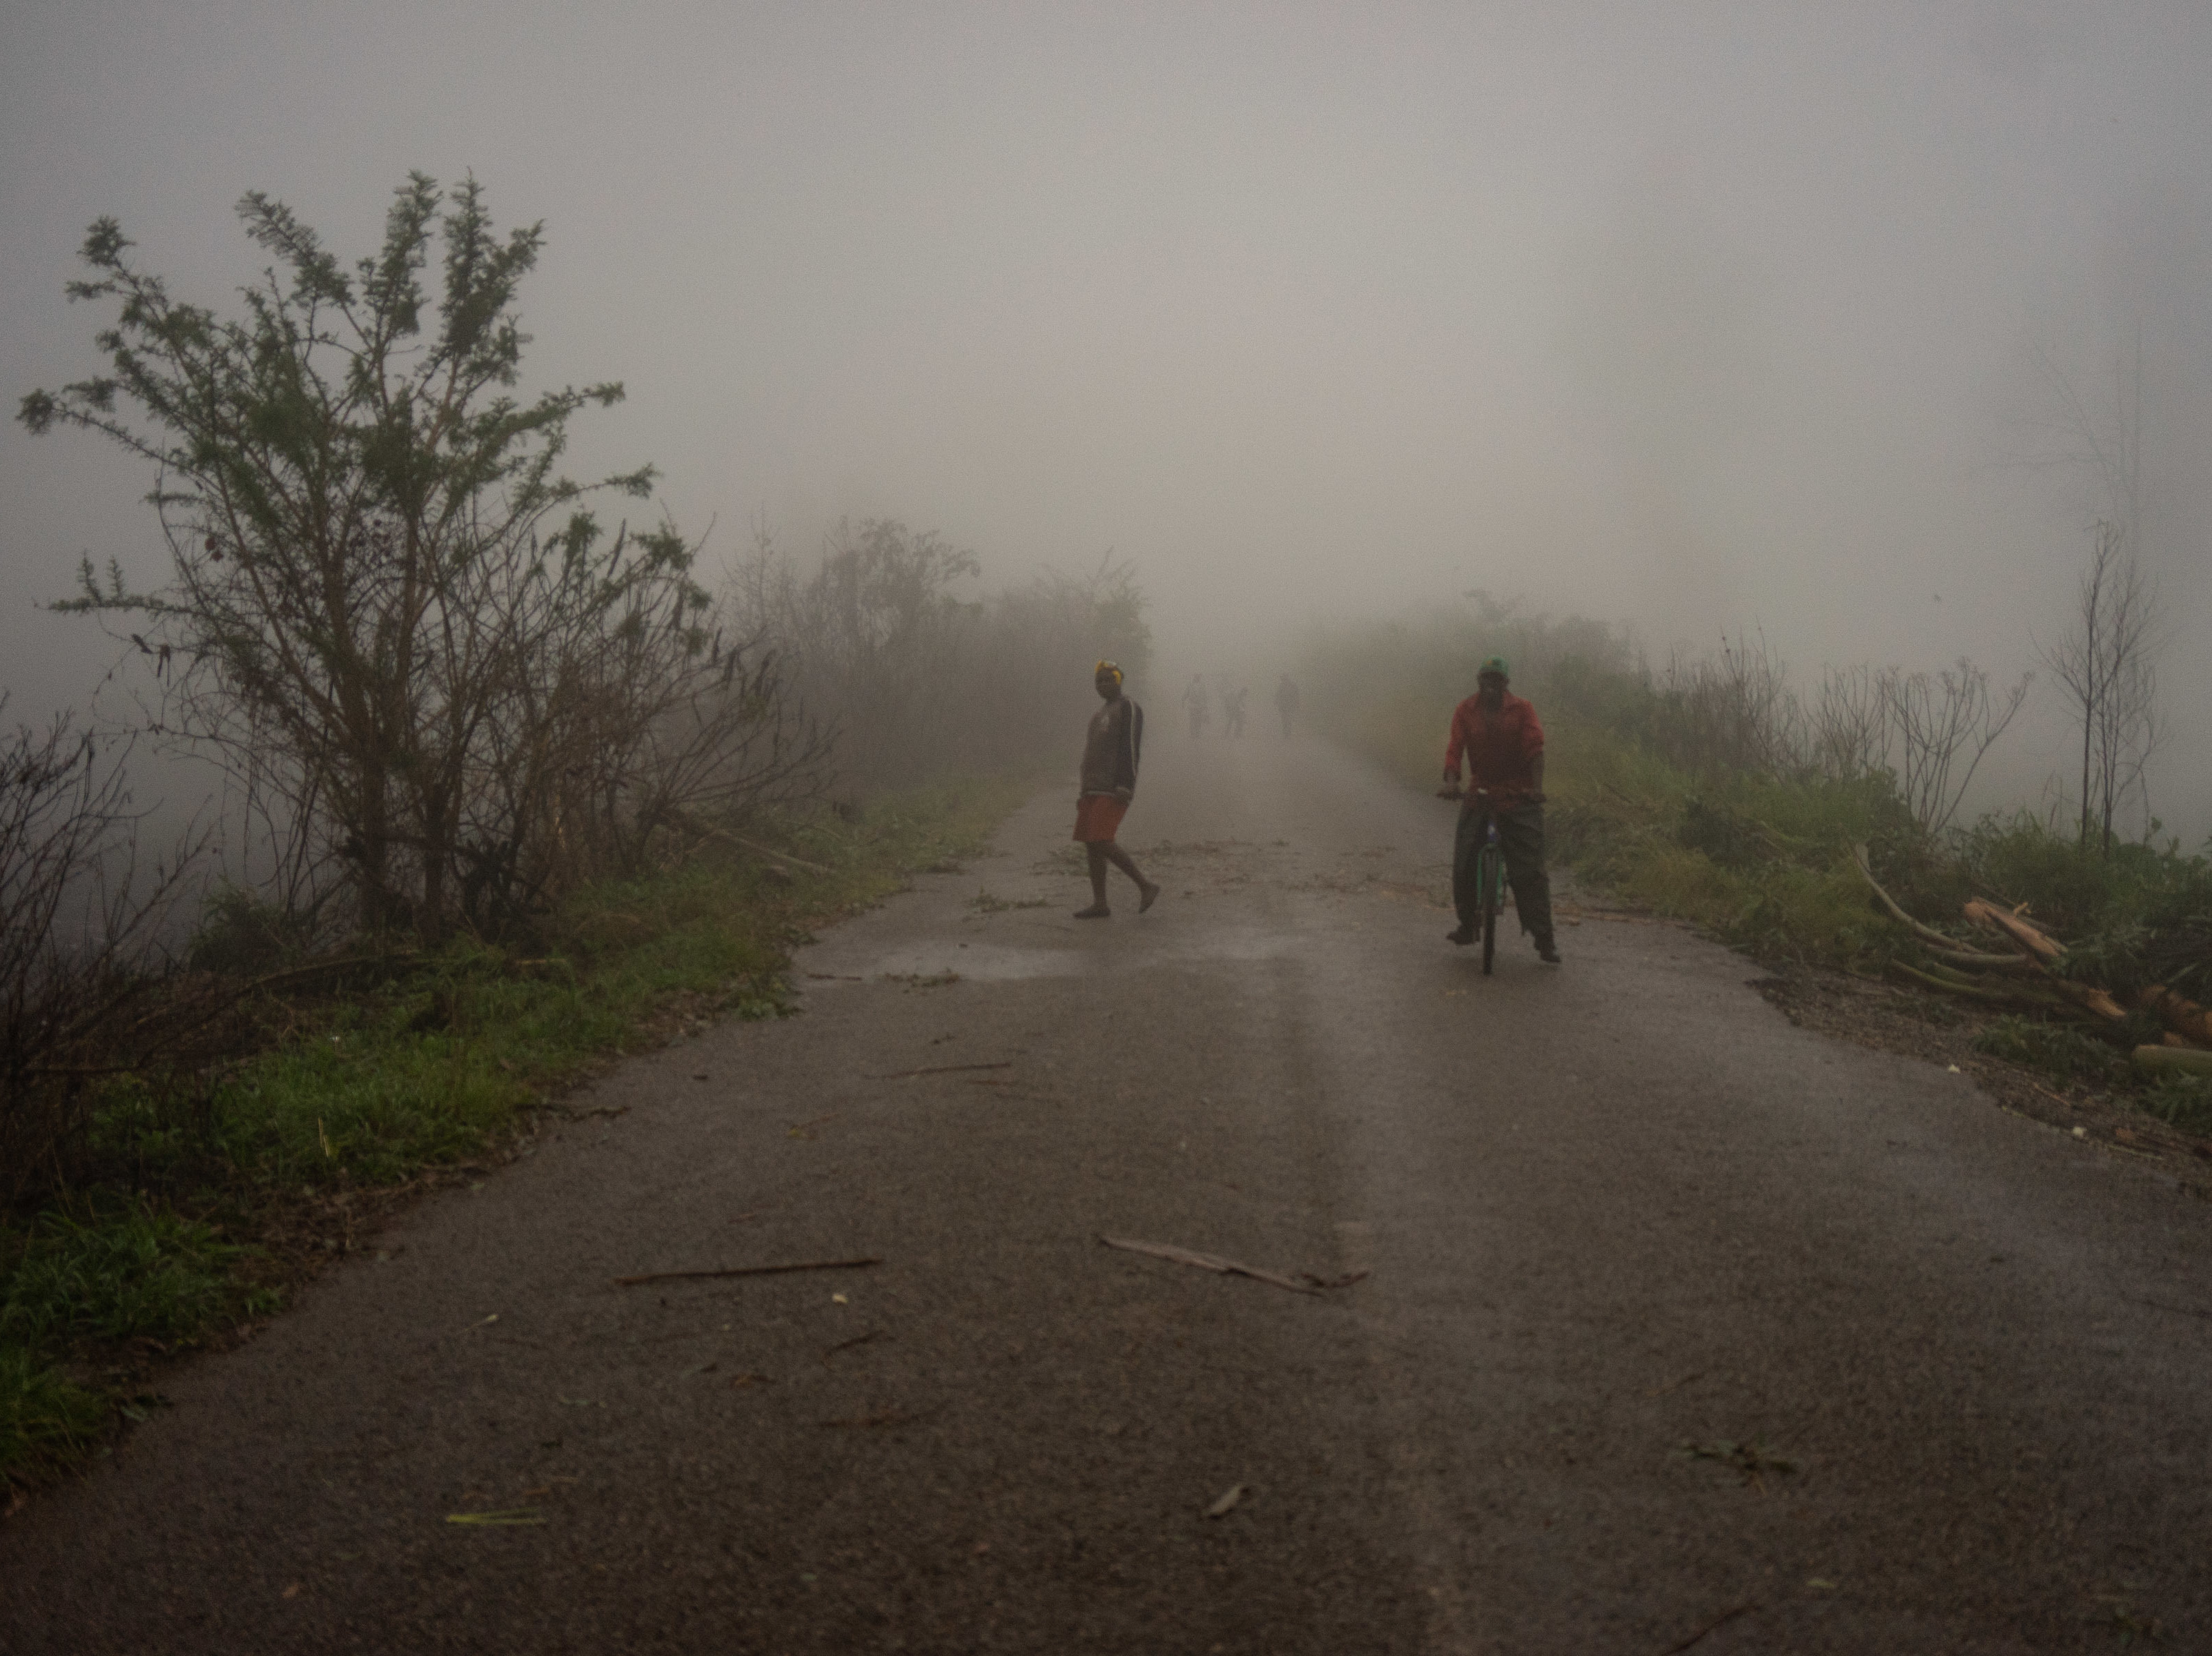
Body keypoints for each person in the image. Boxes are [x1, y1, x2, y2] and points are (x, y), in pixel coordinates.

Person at [1437, 656, 1559, 963]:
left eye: (1497, 681)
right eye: (1485, 680)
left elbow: (1536, 749)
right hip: (1481, 791)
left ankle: (1544, 939)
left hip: (1518, 794)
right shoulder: (1465, 711)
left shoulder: (1523, 710)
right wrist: (1452, 784)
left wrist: (1536, 790)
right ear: (1479, 682)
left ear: (1506, 685)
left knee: (1531, 870)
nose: (1491, 687)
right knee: (1464, 860)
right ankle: (1468, 925)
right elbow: (1455, 750)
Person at [1074, 660, 1161, 919]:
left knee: (1101, 839)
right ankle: (1100, 903)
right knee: (1091, 844)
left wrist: (1126, 784)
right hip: (1092, 788)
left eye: (1107, 680)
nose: (1102, 685)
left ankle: (1146, 886)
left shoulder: (1128, 707)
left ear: (1119, 680)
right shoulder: (1098, 714)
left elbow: (1131, 748)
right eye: (1098, 681)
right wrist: (1083, 790)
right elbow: (1090, 752)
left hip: (1114, 788)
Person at [1182, 673, 1210, 738]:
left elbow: (1205, 696)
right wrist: (1183, 700)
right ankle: (1192, 733)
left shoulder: (1202, 685)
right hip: (1192, 706)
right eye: (1196, 676)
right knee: (1192, 719)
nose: (1197, 677)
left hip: (1200, 706)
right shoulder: (1190, 685)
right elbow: (1186, 693)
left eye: (1199, 676)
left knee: (1199, 719)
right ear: (1194, 676)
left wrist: (1205, 706)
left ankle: (1197, 733)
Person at [1275, 673, 1300, 738]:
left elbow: (1278, 695)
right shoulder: (1291, 685)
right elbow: (1278, 695)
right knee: (1287, 718)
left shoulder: (1284, 685)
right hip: (1288, 705)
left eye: (1283, 678)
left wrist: (1276, 701)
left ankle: (1287, 731)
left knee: (1286, 718)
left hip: (1286, 705)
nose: (1282, 679)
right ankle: (1287, 731)